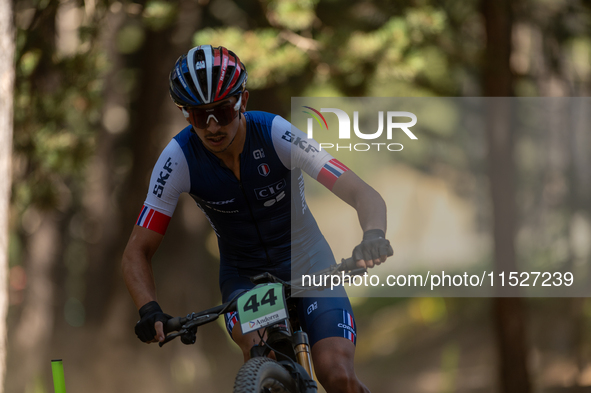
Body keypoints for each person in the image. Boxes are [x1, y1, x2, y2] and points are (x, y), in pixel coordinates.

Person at [121, 45, 393, 393]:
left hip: (309, 264)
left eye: (222, 110)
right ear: (185, 114)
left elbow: (362, 192)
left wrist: (373, 233)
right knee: (259, 354)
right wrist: (149, 309)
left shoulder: (276, 133)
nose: (213, 126)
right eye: (201, 116)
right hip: (244, 279)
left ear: (242, 101)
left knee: (336, 372)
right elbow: (136, 252)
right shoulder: (177, 160)